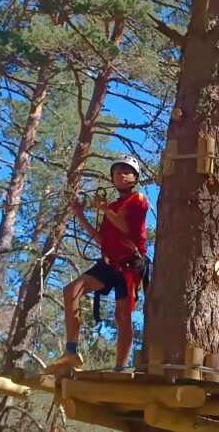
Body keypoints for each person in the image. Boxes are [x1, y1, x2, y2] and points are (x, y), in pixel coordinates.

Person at [44, 156, 149, 374]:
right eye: (117, 171)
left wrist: (105, 211)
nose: (121, 174)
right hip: (109, 263)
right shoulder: (112, 206)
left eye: (126, 171)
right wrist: (80, 215)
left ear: (135, 177)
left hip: (129, 265)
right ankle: (71, 351)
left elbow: (128, 229)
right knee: (71, 291)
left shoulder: (138, 199)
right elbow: (102, 239)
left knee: (122, 315)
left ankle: (120, 368)